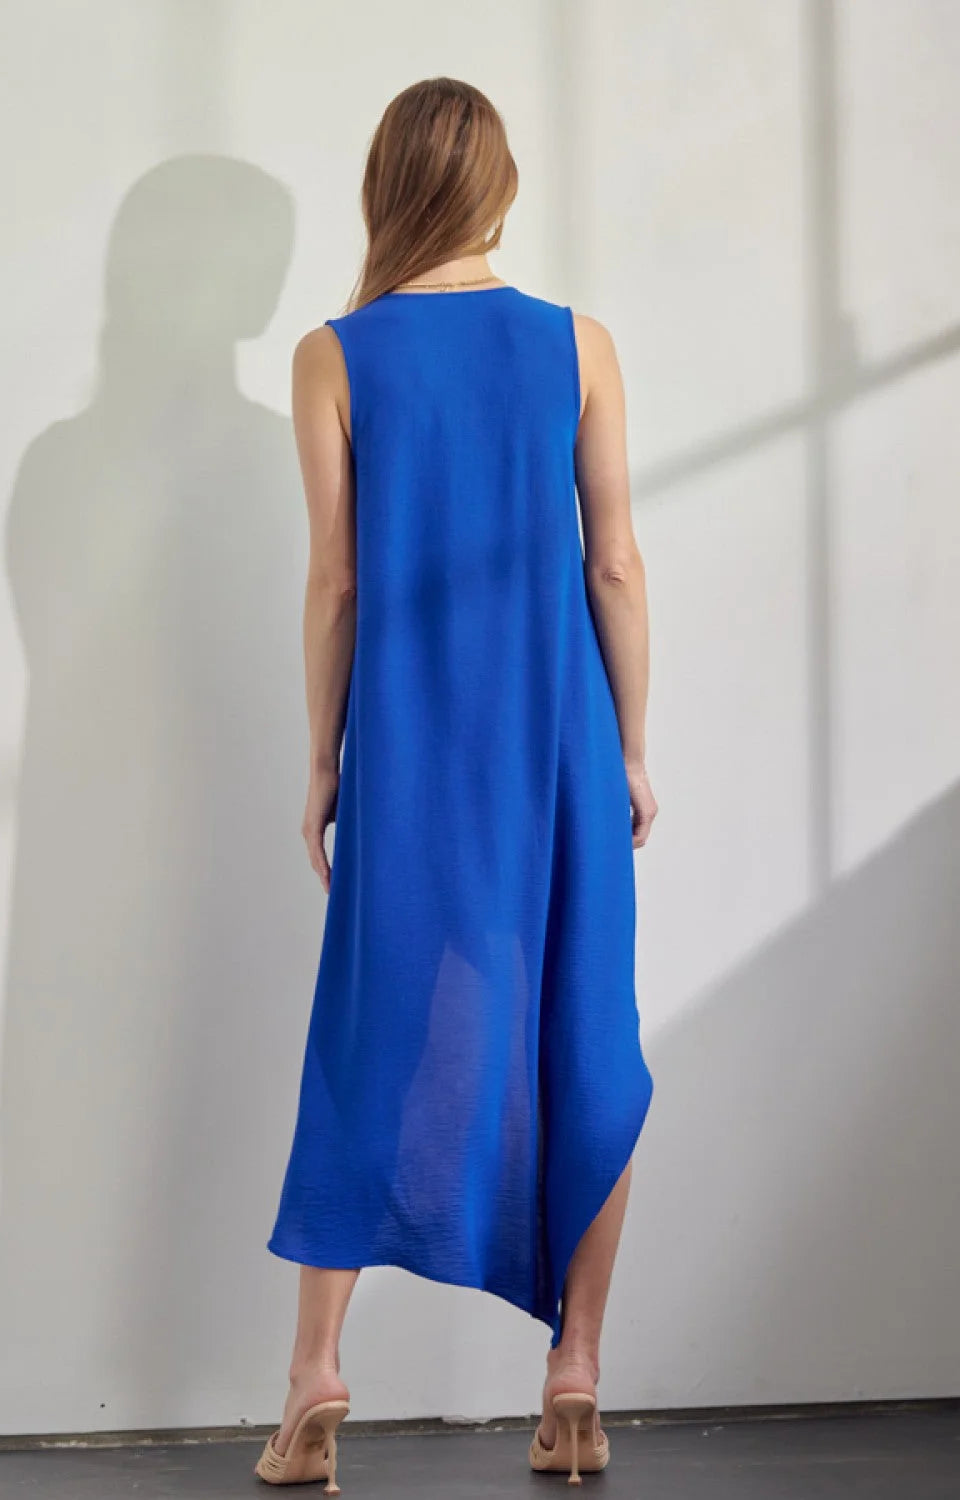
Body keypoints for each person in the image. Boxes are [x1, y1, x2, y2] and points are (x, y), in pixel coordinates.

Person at [254, 76, 658, 1492]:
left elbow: (336, 577)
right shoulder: (578, 345)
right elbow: (613, 560)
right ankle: (576, 1376)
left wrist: (321, 761)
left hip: (412, 745)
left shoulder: (333, 355)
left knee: (370, 1033)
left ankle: (313, 1376)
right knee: (583, 1033)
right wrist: (630, 748)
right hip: (554, 742)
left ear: (387, 188)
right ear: (498, 188)